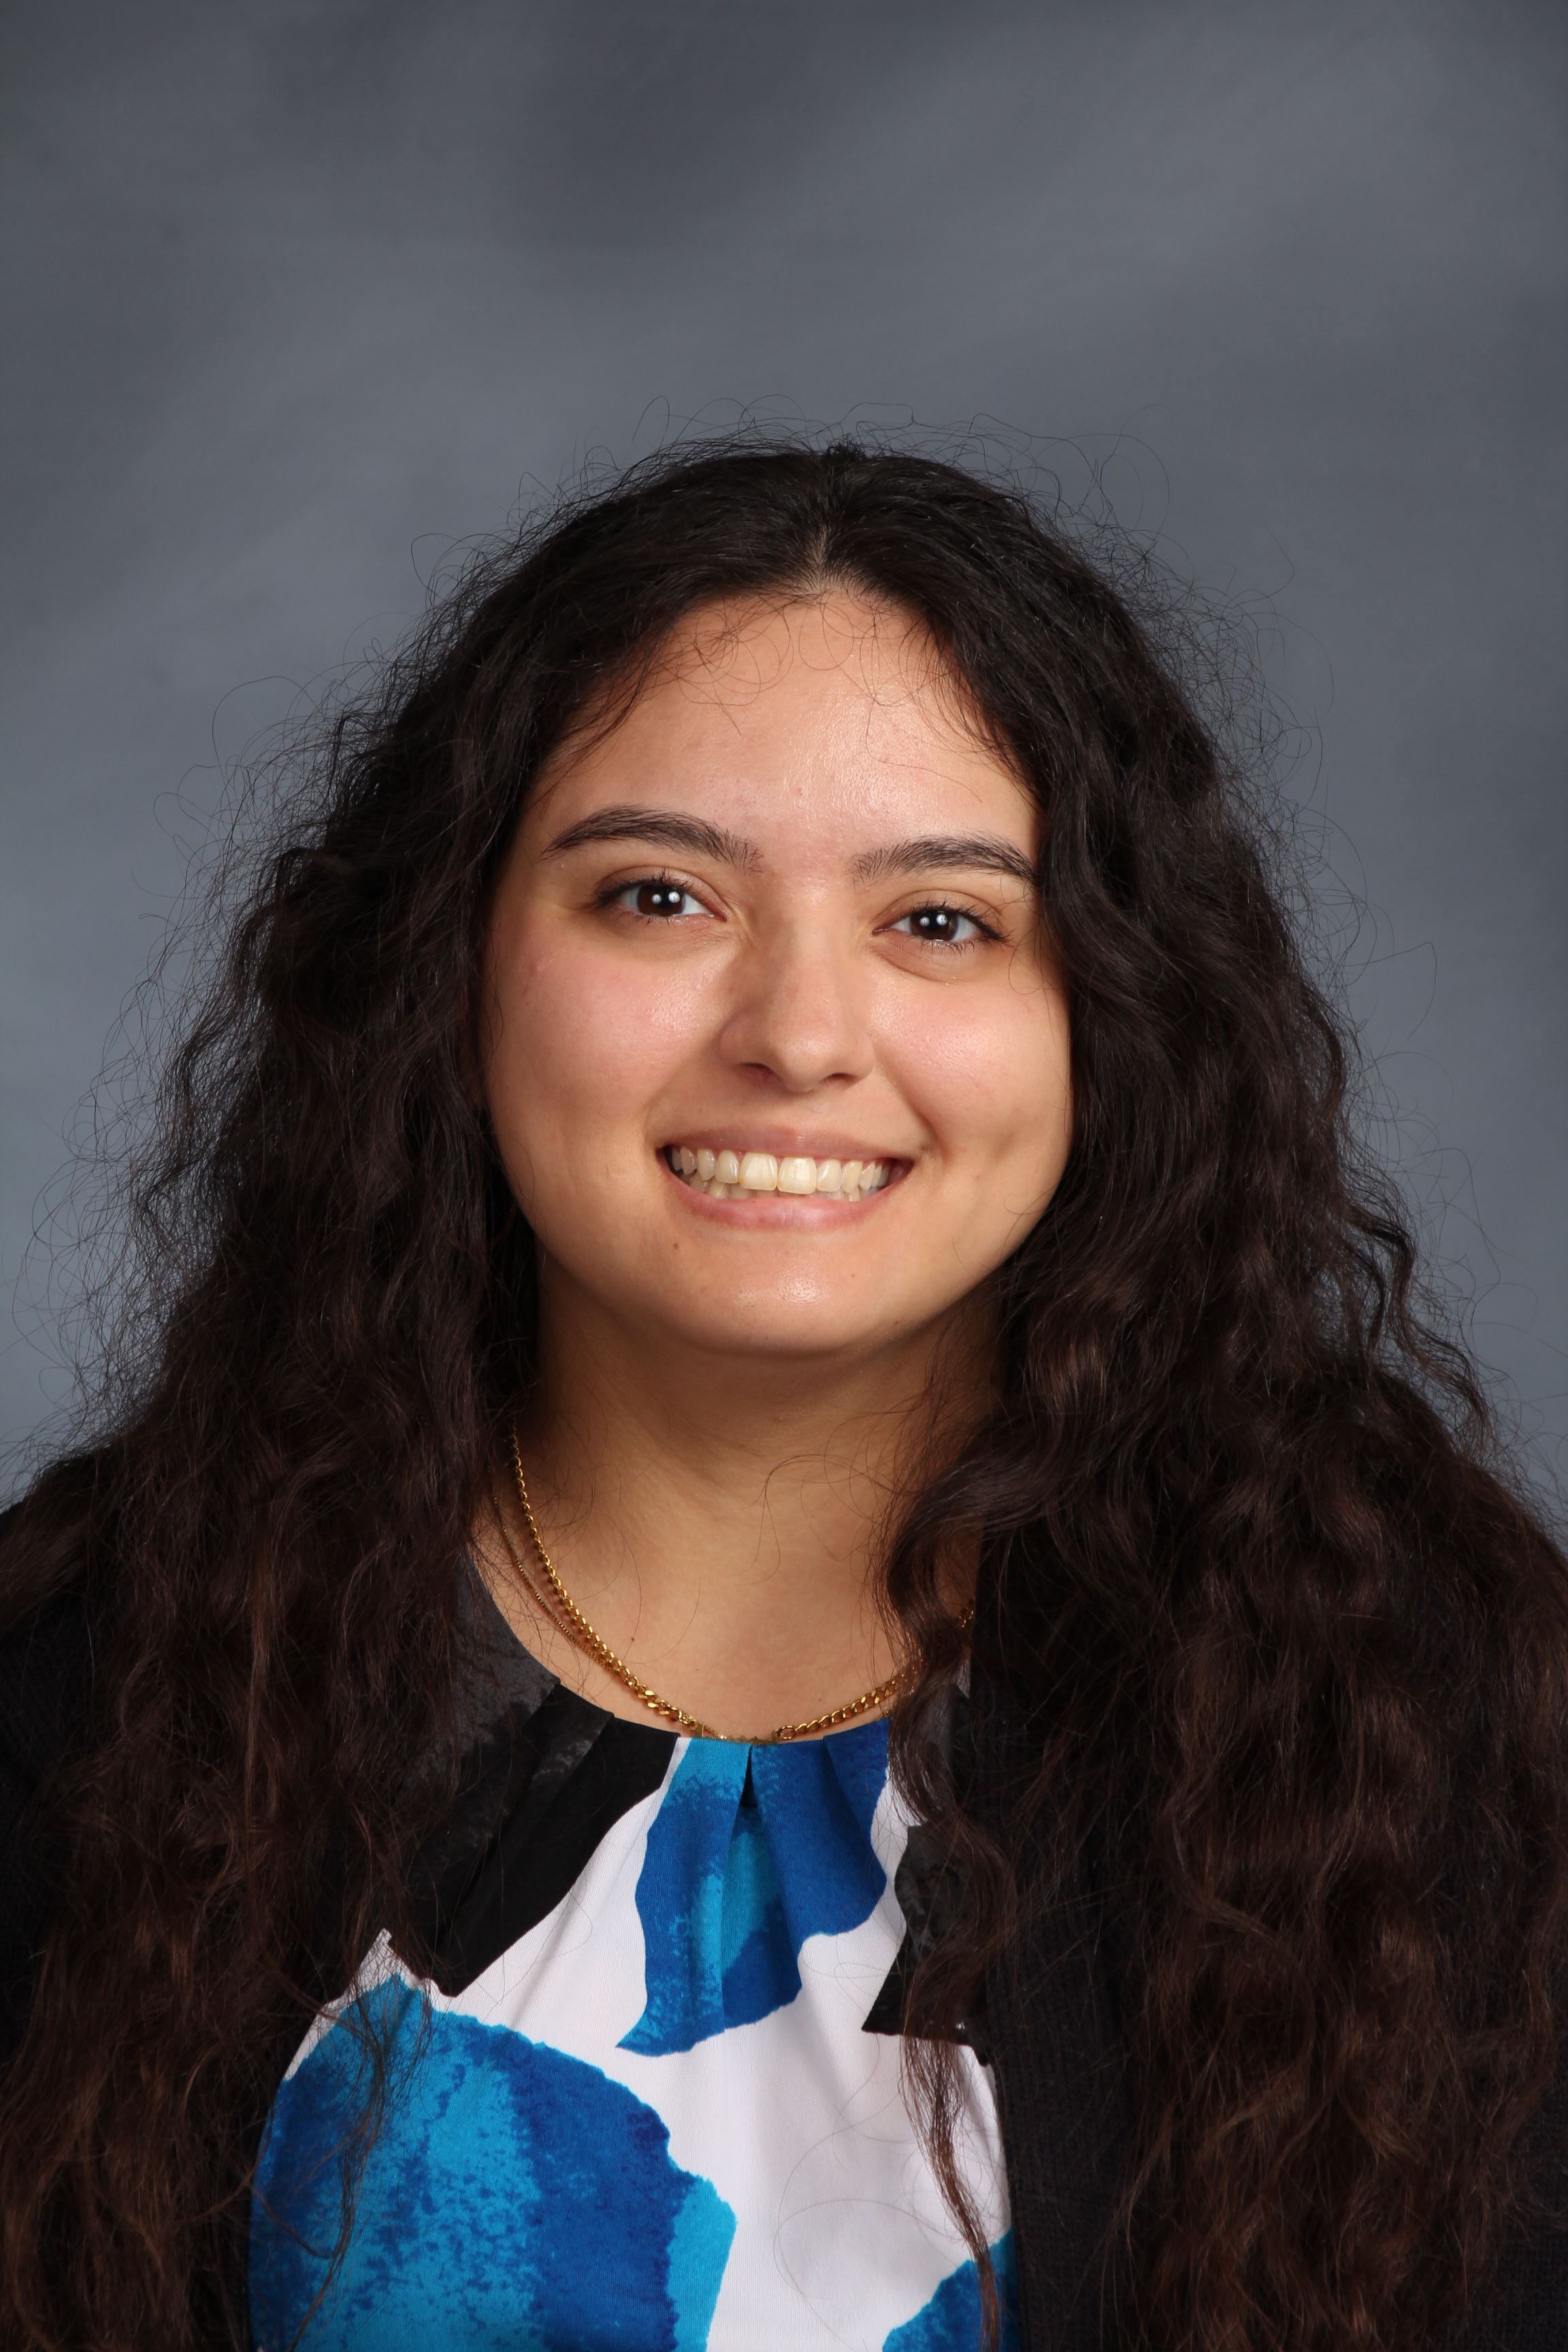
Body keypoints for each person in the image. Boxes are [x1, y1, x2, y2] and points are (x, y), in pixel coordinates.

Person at [1, 439, 1565, 2352]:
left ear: (1109, 1020)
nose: (801, 1038)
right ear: (454, 968)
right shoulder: (96, 1688)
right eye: (659, 899)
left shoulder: (1416, 1732)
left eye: (942, 921)